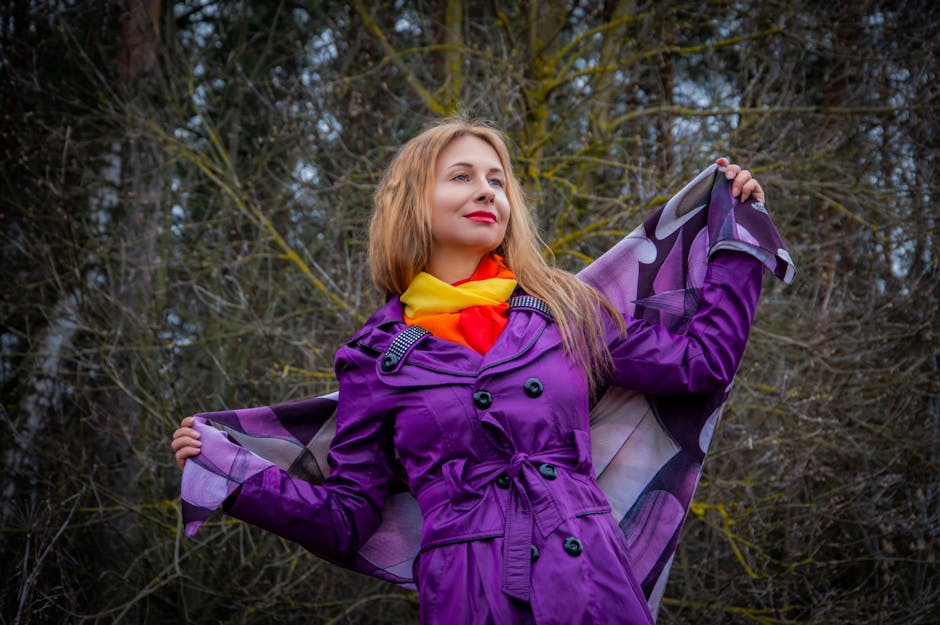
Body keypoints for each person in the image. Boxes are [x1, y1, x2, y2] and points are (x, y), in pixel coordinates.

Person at [172, 119, 768, 624]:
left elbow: (701, 365)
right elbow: (345, 519)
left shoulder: (566, 310)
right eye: (461, 177)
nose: (486, 191)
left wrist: (738, 242)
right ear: (412, 202)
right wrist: (233, 477)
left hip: (592, 580)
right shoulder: (376, 355)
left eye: (496, 179)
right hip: (468, 593)